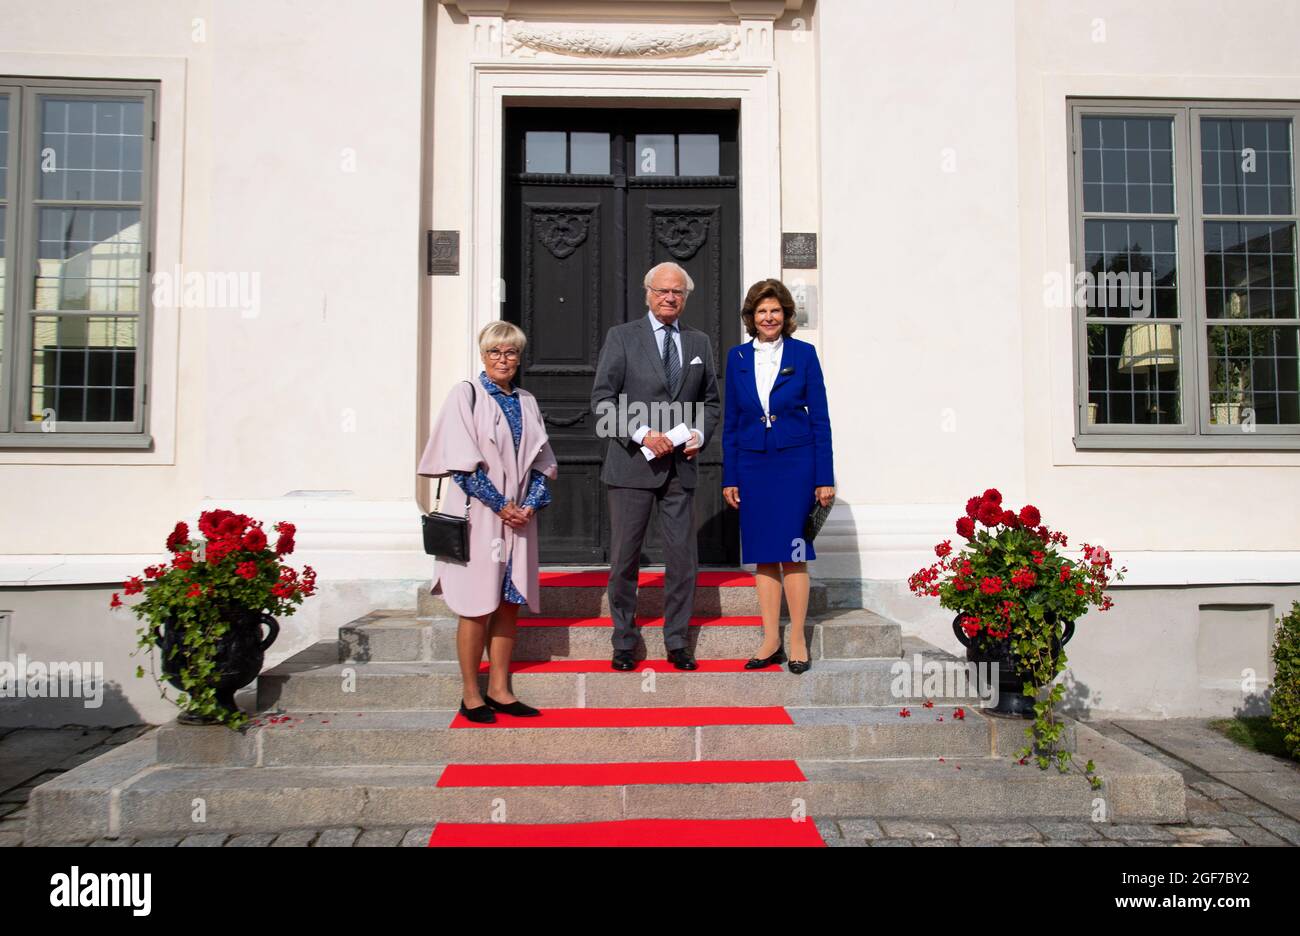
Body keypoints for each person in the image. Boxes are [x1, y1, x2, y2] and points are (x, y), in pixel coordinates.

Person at [417, 321, 557, 722]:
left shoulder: (527, 400)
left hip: (518, 522)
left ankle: (500, 688)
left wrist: (528, 504)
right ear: (483, 354)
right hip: (480, 517)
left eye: (511, 352)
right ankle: (470, 693)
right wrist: (500, 505)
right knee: (476, 605)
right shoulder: (467, 395)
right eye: (495, 351)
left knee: (509, 603)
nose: (503, 359)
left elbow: (544, 462)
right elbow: (460, 462)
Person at [591, 261, 721, 671]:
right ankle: (624, 641)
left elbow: (711, 402)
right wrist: (643, 433)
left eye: (678, 292)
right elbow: (602, 403)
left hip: (680, 470)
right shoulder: (622, 337)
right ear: (648, 293)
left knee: (683, 560)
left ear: (685, 297)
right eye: (663, 291)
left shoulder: (699, 343)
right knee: (625, 558)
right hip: (631, 468)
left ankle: (678, 640)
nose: (670, 298)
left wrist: (699, 434)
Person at [722, 279, 835, 674]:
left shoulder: (804, 354)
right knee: (764, 557)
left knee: (794, 553)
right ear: (751, 317)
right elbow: (732, 423)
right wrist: (729, 476)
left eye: (774, 311)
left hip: (796, 465)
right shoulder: (736, 357)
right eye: (760, 311)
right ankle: (770, 639)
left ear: (786, 315)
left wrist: (825, 477)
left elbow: (820, 420)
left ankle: (798, 637)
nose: (768, 317)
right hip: (753, 465)